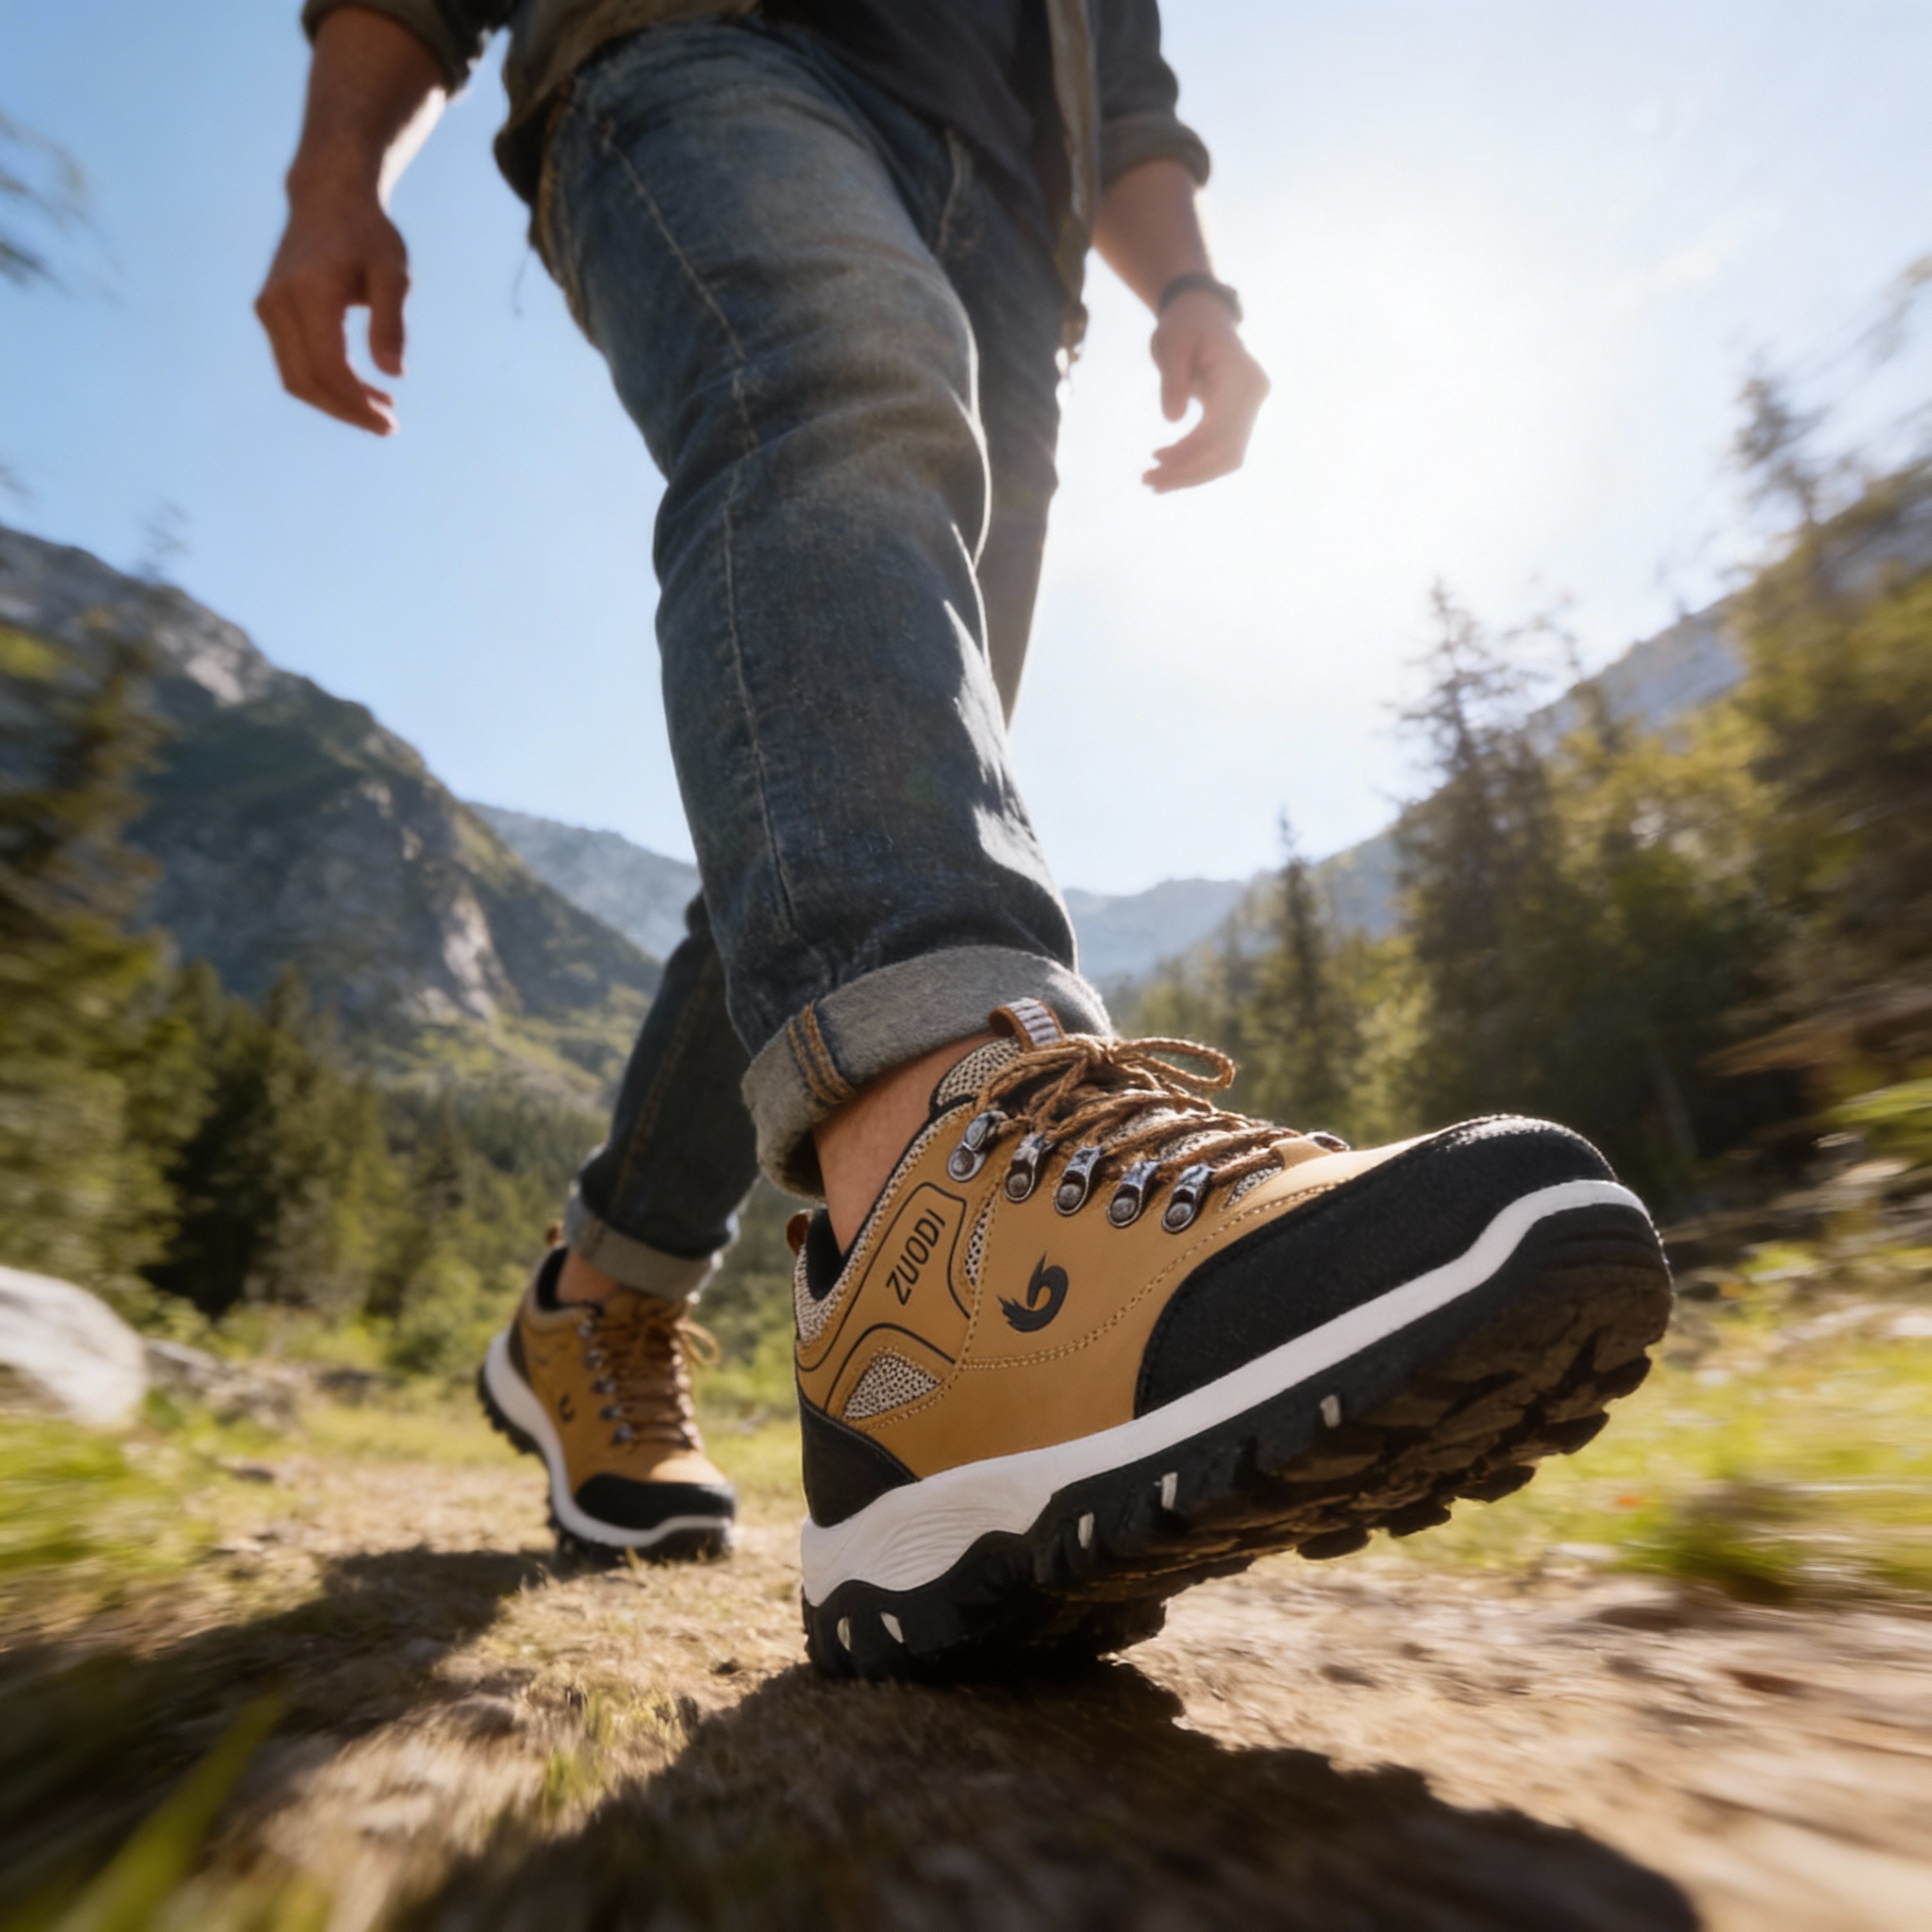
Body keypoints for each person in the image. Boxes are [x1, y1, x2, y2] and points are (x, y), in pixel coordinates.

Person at [259, 0, 1672, 1678]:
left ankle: (613, 1298)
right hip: (701, 48)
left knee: (857, 774)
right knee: (838, 393)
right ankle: (947, 1253)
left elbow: (1124, 73)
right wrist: (335, 159)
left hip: (1013, 211)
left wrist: (1194, 289)